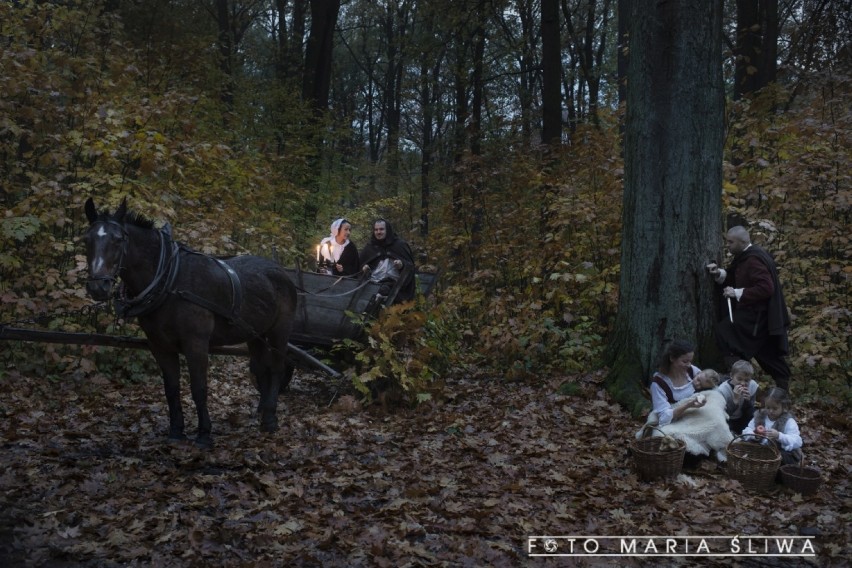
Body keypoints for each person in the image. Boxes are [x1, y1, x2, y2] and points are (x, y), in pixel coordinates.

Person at [706, 226, 791, 391]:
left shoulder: (754, 259)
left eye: (731, 242)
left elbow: (766, 288)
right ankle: (747, 383)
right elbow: (735, 276)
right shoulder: (745, 257)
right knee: (764, 352)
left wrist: (737, 292)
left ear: (742, 241)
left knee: (726, 334)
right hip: (756, 318)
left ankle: (738, 378)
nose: (727, 245)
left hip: (758, 318)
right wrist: (719, 274)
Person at [648, 339, 707, 428]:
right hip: (676, 422)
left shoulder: (691, 371)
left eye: (690, 361)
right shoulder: (659, 384)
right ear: (672, 358)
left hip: (696, 415)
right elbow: (664, 417)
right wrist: (688, 405)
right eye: (685, 361)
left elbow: (709, 383)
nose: (688, 365)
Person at [359, 218, 416, 304]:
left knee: (384, 290)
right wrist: (364, 268)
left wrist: (401, 265)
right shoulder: (370, 247)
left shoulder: (400, 245)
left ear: (388, 230)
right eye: (376, 230)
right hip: (372, 283)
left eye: (381, 229)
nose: (378, 232)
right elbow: (360, 266)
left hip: (395, 285)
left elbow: (410, 267)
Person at [742, 387, 803, 467]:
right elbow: (747, 430)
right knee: (746, 447)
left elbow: (798, 441)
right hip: (760, 450)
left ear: (783, 407)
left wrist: (779, 436)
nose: (770, 411)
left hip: (778, 453)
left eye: (775, 408)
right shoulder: (759, 416)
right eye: (767, 407)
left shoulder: (788, 421)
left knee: (784, 458)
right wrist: (754, 435)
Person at [716, 359, 759, 435]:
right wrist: (735, 400)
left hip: (743, 418)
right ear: (731, 376)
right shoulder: (723, 390)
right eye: (739, 379)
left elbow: (750, 410)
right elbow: (722, 414)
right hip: (728, 420)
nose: (743, 383)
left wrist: (747, 401)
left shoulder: (752, 385)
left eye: (747, 380)